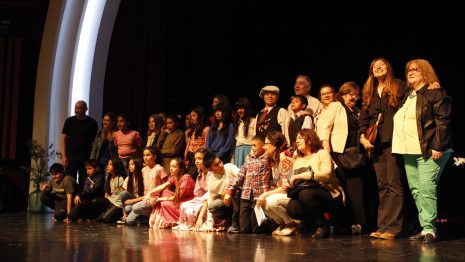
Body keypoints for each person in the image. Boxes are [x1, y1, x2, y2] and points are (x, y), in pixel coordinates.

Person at [392, 59, 453, 243]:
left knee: (426, 188)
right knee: (417, 190)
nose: (410, 72)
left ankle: (429, 230)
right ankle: (426, 226)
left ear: (425, 72)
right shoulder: (408, 96)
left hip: (429, 149)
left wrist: (439, 145)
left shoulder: (434, 92)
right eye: (408, 69)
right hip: (408, 150)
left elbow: (443, 120)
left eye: (415, 70)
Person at [358, 58, 411, 240]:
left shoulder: (399, 86)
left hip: (394, 140)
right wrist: (363, 138)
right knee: (383, 185)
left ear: (388, 67)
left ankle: (394, 227)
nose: (377, 68)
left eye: (381, 65)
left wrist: (433, 85)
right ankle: (383, 225)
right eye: (374, 66)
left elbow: (416, 97)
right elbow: (363, 120)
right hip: (375, 144)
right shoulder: (369, 91)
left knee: (394, 183)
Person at [317, 81, 366, 235]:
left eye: (356, 95)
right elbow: (324, 126)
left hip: (355, 155)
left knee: (356, 189)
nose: (353, 97)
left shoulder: (357, 110)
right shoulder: (336, 106)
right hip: (338, 152)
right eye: (349, 94)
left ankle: (357, 223)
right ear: (342, 95)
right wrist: (326, 149)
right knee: (340, 189)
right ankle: (341, 223)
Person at [286, 129, 345, 239]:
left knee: (306, 194)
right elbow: (294, 178)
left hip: (328, 193)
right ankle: (311, 223)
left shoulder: (322, 154)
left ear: (310, 139)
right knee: (292, 207)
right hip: (305, 192)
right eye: (296, 139)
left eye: (300, 138)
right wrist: (289, 182)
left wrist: (302, 176)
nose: (297, 141)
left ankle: (323, 225)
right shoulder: (298, 160)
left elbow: (326, 174)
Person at [224, 134, 271, 233]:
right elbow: (239, 177)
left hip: (258, 198)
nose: (252, 148)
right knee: (244, 229)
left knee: (257, 230)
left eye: (254, 145)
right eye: (251, 146)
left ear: (263, 146)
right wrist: (229, 191)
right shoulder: (249, 159)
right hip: (246, 197)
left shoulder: (268, 158)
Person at [255, 131, 297, 236]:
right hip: (282, 194)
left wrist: (265, 194)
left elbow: (285, 188)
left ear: (274, 146)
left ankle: (291, 223)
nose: (264, 147)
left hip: (292, 194)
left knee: (270, 201)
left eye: (266, 144)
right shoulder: (273, 160)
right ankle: (283, 223)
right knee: (262, 203)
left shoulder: (284, 160)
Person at [122, 146, 168, 226]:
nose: (145, 158)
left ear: (154, 156)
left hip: (154, 200)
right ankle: (144, 219)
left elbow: (167, 187)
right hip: (145, 199)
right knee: (128, 210)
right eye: (144, 155)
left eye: (148, 155)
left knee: (135, 207)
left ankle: (152, 214)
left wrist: (133, 201)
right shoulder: (143, 170)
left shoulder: (159, 169)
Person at [61, 100, 98, 190]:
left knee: (84, 181)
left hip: (85, 157)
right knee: (69, 180)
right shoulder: (69, 121)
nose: (77, 110)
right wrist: (64, 156)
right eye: (76, 108)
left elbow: (95, 143)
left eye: (80, 108)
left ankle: (80, 201)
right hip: (71, 156)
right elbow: (63, 139)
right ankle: (69, 201)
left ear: (86, 109)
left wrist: (93, 159)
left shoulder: (92, 122)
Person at [149, 158, 195, 228]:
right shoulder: (175, 177)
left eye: (174, 166)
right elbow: (163, 185)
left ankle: (174, 220)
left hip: (186, 203)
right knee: (164, 192)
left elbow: (176, 197)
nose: (170, 168)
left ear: (181, 169)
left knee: (163, 203)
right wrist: (150, 194)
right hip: (179, 200)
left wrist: (159, 199)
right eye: (170, 166)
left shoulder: (186, 179)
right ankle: (157, 219)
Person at [202, 150, 239, 231]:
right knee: (213, 207)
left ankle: (236, 221)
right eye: (216, 165)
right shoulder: (211, 181)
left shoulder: (229, 167)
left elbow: (241, 177)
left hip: (239, 197)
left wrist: (228, 190)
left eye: (220, 161)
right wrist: (209, 225)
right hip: (227, 203)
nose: (221, 165)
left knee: (235, 193)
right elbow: (210, 200)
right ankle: (230, 220)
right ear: (210, 169)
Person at [175, 149, 211, 231]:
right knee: (183, 206)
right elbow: (197, 193)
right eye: (195, 159)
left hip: (209, 199)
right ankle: (185, 223)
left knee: (193, 210)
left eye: (200, 158)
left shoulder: (211, 173)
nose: (197, 161)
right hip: (201, 198)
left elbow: (211, 193)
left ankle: (195, 224)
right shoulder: (200, 174)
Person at [92, 157, 125, 223]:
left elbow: (122, 196)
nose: (108, 166)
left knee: (105, 219)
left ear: (116, 166)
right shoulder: (108, 177)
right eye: (108, 164)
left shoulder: (120, 178)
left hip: (118, 203)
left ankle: (112, 215)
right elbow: (107, 193)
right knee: (95, 201)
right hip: (111, 200)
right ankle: (106, 213)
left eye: (110, 164)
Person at [117, 157, 145, 224]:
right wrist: (124, 214)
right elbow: (123, 196)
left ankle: (143, 219)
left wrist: (133, 201)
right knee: (123, 196)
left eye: (132, 164)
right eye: (129, 165)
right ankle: (126, 216)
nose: (129, 166)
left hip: (142, 201)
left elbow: (145, 196)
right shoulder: (129, 178)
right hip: (134, 201)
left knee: (130, 220)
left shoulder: (144, 177)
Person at [184, 106, 210, 178]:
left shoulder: (206, 129)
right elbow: (189, 144)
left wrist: (200, 155)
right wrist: (186, 156)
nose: (192, 118)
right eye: (191, 116)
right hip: (190, 155)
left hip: (198, 156)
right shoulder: (192, 129)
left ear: (200, 116)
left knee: (193, 176)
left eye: (194, 115)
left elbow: (206, 145)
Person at [233, 97, 256, 168]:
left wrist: (252, 152)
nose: (239, 110)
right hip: (238, 150)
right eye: (238, 109)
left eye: (242, 108)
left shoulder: (254, 121)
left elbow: (255, 138)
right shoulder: (237, 122)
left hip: (249, 150)